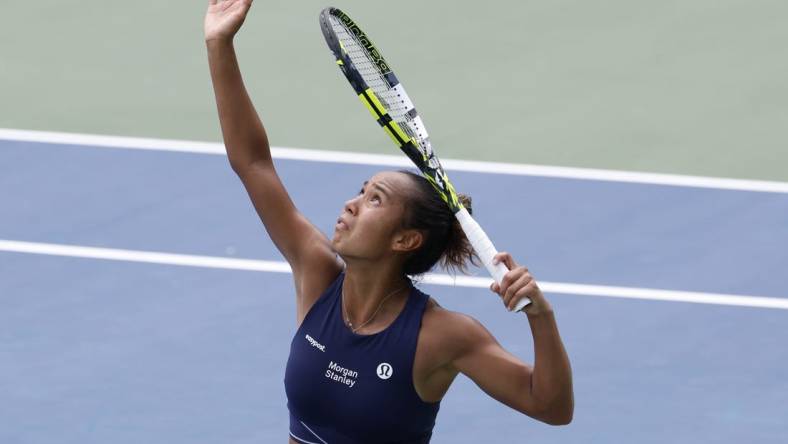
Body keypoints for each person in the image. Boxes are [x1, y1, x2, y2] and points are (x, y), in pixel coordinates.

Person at [205, 1, 573, 443]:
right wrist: (219, 44)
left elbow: (550, 407)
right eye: (362, 190)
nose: (352, 204)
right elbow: (253, 163)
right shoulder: (317, 273)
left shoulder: (441, 335)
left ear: (406, 239)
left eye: (374, 199)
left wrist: (541, 316)